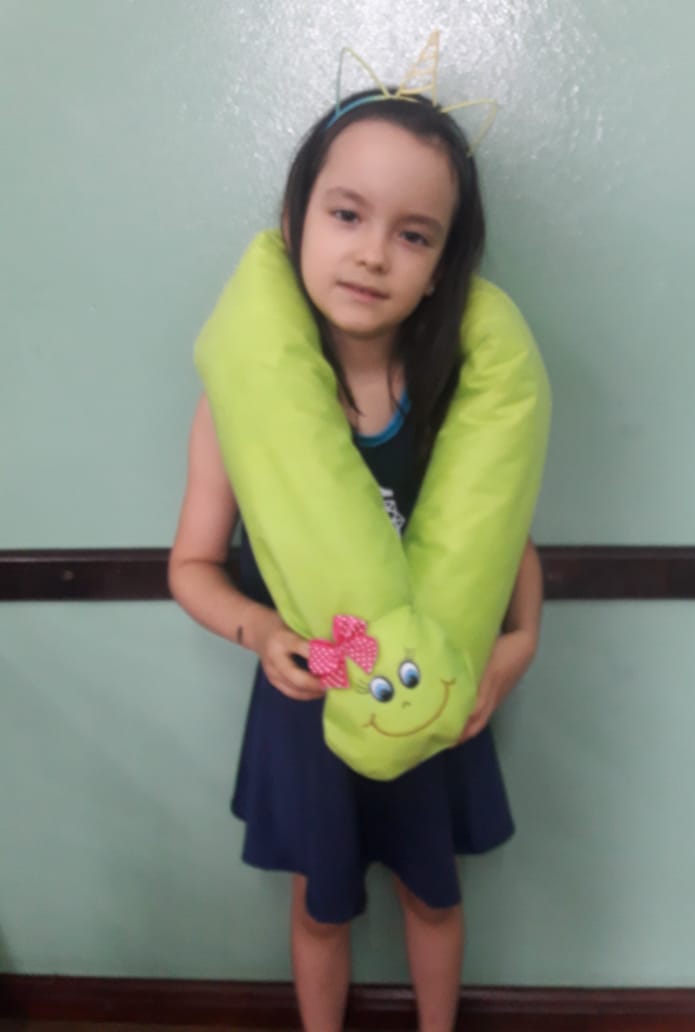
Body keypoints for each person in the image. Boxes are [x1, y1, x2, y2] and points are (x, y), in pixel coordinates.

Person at [169, 87, 544, 1032]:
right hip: (309, 698)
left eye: (413, 235)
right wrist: (261, 631)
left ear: (442, 267)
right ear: (296, 221)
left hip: (430, 689)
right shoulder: (243, 403)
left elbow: (506, 545)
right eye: (346, 215)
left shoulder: (453, 394)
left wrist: (517, 647)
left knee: (434, 894)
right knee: (319, 904)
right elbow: (192, 567)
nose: (374, 253)